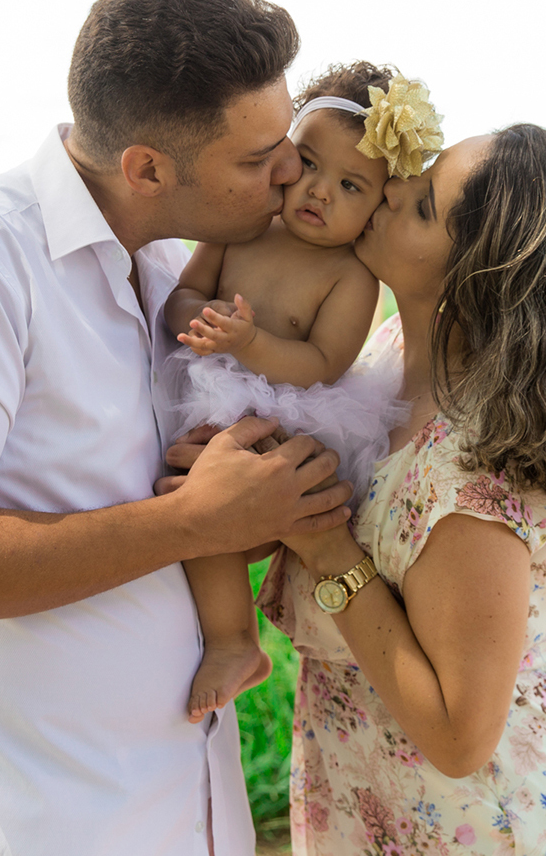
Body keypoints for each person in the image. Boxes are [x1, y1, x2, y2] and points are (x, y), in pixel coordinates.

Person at [0, 0, 354, 856]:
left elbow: (169, 509)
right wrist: (195, 523)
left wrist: (261, 503)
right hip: (48, 844)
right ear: (148, 167)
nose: (288, 174)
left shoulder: (173, 268)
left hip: (197, 829)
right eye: (260, 156)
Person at [254, 124, 546, 856]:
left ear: (472, 276)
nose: (383, 196)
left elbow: (458, 734)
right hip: (380, 801)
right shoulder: (381, 356)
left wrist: (328, 552)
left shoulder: (472, 470)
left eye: (419, 207)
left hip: (480, 835)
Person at [163, 63, 443, 723]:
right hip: (215, 386)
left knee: (211, 516)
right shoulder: (242, 226)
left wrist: (249, 342)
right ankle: (209, 629)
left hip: (288, 412)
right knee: (190, 509)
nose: (319, 191)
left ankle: (235, 640)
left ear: (379, 205)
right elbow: (184, 291)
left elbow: (322, 361)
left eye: (350, 186)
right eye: (309, 163)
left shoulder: (352, 274)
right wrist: (196, 321)